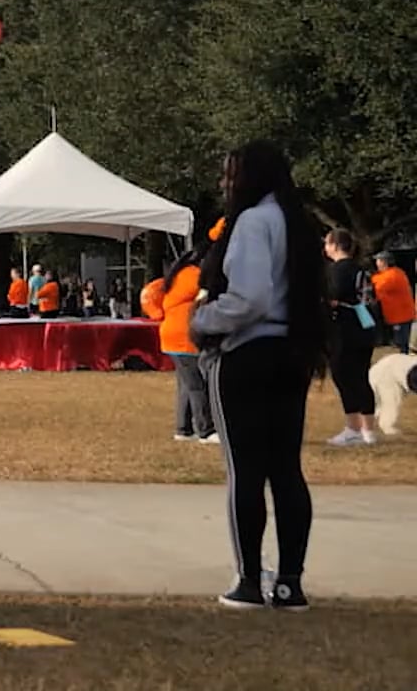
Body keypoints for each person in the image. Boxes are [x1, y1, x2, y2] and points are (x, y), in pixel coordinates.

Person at [188, 140, 327, 611]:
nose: (226, 184)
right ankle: (290, 582)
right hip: (291, 352)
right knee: (286, 470)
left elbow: (250, 298)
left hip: (247, 354)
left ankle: (248, 580)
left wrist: (203, 321)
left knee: (245, 472)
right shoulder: (297, 222)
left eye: (231, 175)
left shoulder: (251, 222)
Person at [143, 242, 214, 444]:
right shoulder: (194, 275)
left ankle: (184, 429)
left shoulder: (179, 275)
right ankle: (205, 430)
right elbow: (208, 292)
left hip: (173, 336)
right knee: (196, 385)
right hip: (182, 337)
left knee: (186, 384)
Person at [321, 229, 379, 446]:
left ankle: (353, 427)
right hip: (365, 327)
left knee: (344, 376)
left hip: (345, 330)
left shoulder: (338, 270)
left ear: (335, 245)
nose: (325, 248)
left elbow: (332, 294)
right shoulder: (359, 268)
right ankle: (368, 430)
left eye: (327, 243)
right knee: (361, 377)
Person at [370, 252, 413, 354]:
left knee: (400, 345)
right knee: (400, 344)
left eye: (378, 260)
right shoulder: (396, 272)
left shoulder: (391, 276)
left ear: (384, 262)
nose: (376, 263)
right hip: (401, 315)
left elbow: (376, 288)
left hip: (400, 317)